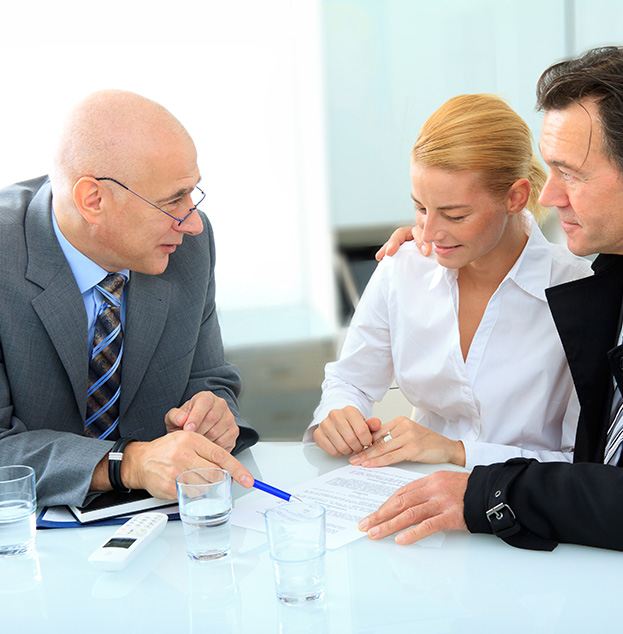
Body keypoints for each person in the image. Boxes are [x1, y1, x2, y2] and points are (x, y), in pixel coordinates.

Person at [360, 43, 623, 584]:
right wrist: (443, 238)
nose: (549, 193)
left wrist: (493, 491)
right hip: (605, 559)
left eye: (570, 173)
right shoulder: (622, 261)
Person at [0, 90, 258, 508]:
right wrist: (129, 464)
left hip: (161, 529)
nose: (192, 222)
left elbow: (210, 378)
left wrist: (213, 416)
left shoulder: (188, 247)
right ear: (93, 200)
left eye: (192, 193)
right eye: (173, 200)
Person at [304, 94, 590, 471]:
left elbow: (583, 465)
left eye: (454, 215)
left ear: (515, 198)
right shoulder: (404, 266)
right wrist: (339, 415)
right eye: (421, 208)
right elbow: (351, 381)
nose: (431, 232)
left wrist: (458, 452)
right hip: (414, 493)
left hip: (527, 513)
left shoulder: (579, 293)